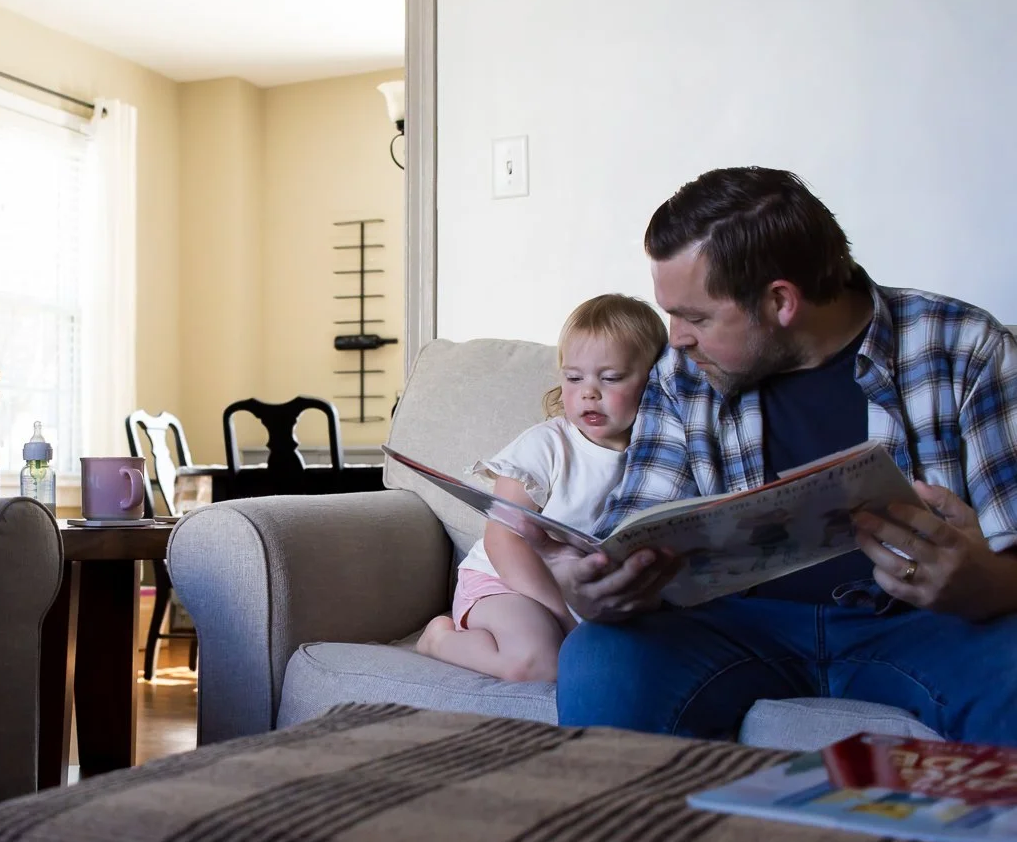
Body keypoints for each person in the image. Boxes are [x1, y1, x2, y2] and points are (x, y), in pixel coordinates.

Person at [515, 166, 1017, 745]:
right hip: (737, 624)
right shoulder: (682, 372)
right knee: (601, 655)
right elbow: (635, 523)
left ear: (781, 301)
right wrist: (594, 589)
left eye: (695, 317)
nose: (675, 337)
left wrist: (985, 582)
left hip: (924, 625)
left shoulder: (962, 348)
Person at [417, 295, 666, 681]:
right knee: (540, 661)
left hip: (581, 592)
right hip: (503, 582)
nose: (588, 392)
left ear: (653, 380)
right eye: (574, 378)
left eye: (611, 378)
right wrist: (563, 615)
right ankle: (439, 639)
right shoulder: (545, 446)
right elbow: (502, 540)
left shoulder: (658, 458)